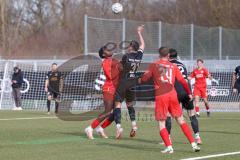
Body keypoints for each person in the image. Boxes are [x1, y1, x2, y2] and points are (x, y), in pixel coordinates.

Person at [139, 47, 200, 153]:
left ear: (158, 55)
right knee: (181, 120)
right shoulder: (173, 66)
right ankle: (193, 144)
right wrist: (189, 93)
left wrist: (140, 79)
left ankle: (169, 146)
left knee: (161, 123)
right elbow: (183, 81)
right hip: (173, 95)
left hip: (161, 96)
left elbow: (144, 78)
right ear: (168, 56)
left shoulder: (154, 65)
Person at [113, 25, 145, 139]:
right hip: (133, 83)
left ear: (131, 47)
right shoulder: (139, 55)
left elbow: (120, 68)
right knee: (130, 105)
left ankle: (118, 127)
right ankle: (134, 126)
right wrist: (139, 33)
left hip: (124, 82)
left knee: (117, 105)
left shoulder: (126, 56)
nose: (128, 47)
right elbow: (143, 45)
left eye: (129, 45)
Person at [164, 48, 202, 145]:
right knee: (191, 114)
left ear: (168, 56)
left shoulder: (168, 66)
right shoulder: (182, 65)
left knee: (168, 115)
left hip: (175, 92)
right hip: (186, 91)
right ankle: (197, 137)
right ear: (176, 56)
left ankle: (168, 138)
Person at [85, 45, 121, 139]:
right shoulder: (105, 62)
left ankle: (100, 128)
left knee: (115, 112)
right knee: (108, 111)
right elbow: (110, 76)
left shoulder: (114, 61)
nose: (110, 50)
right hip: (108, 88)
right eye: (107, 50)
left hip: (116, 89)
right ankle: (90, 128)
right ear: (104, 54)